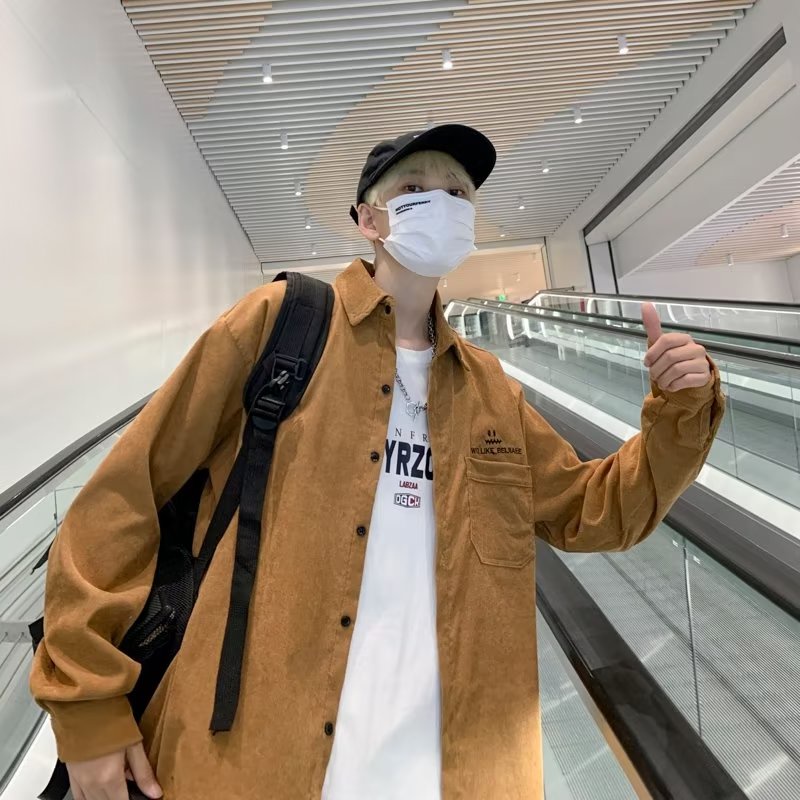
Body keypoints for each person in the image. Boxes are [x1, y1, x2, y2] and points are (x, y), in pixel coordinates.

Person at [30, 124, 725, 800]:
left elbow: (595, 510)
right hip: (255, 755)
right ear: (369, 219)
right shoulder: (280, 324)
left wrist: (682, 411)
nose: (442, 203)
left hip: (453, 767)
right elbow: (127, 494)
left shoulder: (490, 393)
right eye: (415, 189)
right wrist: (87, 703)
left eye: (458, 192)